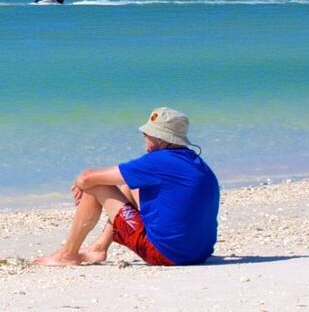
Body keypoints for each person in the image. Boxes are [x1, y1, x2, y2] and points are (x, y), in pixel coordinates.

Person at [35, 108, 219, 267]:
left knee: (96, 185)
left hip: (167, 254)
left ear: (162, 140)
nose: (143, 136)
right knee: (131, 186)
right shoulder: (194, 161)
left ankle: (67, 255)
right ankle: (98, 248)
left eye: (147, 134)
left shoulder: (158, 161)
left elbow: (87, 178)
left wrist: (80, 182)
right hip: (199, 251)